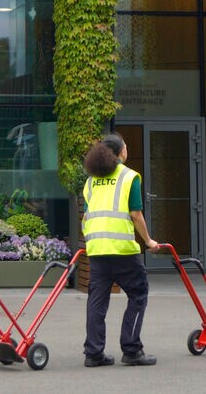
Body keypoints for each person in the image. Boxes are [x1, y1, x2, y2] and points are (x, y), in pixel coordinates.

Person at [81, 133, 158, 367]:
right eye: (125, 147)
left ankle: (93, 353)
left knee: (97, 300)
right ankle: (132, 349)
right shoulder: (129, 177)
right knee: (138, 294)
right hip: (123, 249)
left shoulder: (91, 180)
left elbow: (86, 216)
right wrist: (148, 241)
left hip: (97, 249)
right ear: (120, 152)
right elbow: (136, 214)